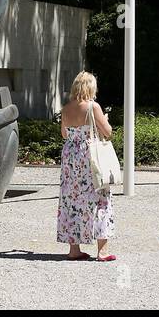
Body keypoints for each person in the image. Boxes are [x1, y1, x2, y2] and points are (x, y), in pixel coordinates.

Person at [56, 71, 116, 261]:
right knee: (100, 199)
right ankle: (102, 251)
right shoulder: (93, 107)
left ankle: (74, 249)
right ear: (91, 87)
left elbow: (65, 135)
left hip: (71, 157)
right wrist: (104, 120)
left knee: (72, 200)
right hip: (90, 158)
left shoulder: (66, 109)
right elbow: (108, 133)